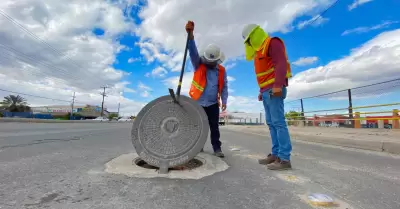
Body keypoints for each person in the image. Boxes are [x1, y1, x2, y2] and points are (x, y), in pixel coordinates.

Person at [241, 24, 293, 170]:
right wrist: (261, 91)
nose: (250, 44)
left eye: (250, 40)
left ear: (255, 35)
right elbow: (264, 74)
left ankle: (284, 158)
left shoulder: (273, 42)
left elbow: (280, 63)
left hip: (274, 89)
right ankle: (275, 154)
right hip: (266, 91)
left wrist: (277, 85)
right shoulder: (258, 53)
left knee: (278, 122)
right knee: (271, 123)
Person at [185, 20, 228, 158]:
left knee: (214, 127)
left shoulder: (221, 70)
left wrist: (225, 100)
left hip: (213, 103)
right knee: (198, 126)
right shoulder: (198, 64)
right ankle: (199, 147)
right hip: (198, 102)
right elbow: (192, 52)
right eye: (208, 61)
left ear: (217, 60)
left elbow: (225, 86)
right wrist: (190, 35)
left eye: (212, 61)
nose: (209, 63)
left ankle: (217, 148)